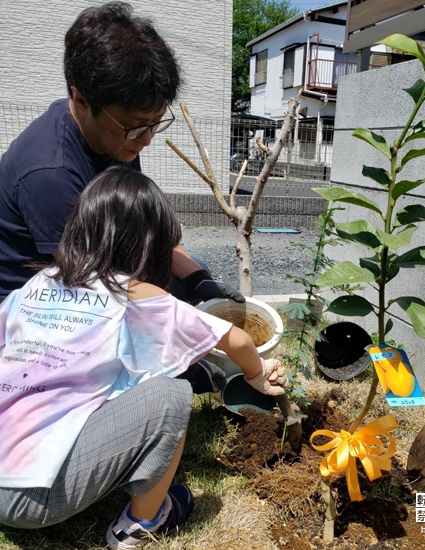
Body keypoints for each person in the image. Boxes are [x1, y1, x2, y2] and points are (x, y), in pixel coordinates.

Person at [0, 166, 287, 549]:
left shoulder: (40, 282)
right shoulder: (135, 294)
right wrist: (258, 375)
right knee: (171, 395)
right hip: (29, 498)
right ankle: (142, 521)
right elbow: (236, 340)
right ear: (149, 245)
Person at [0, 1, 243, 306]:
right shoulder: (50, 173)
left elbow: (146, 231)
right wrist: (188, 320)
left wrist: (198, 277)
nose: (147, 139)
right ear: (81, 99)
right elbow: (95, 281)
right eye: (137, 127)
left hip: (95, 271)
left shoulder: (115, 136)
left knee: (190, 283)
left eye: (155, 124)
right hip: (35, 310)